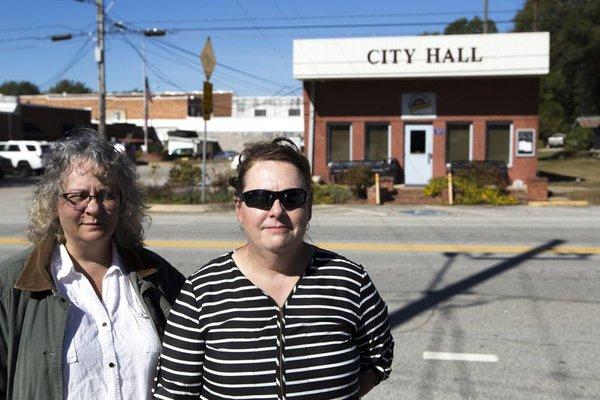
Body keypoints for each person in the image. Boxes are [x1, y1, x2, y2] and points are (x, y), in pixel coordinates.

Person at [154, 137, 393, 399]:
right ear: (239, 208)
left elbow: (379, 357)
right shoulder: (202, 293)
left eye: (292, 197)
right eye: (259, 198)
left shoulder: (349, 281)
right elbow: (174, 392)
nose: (277, 210)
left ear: (309, 207)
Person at [0, 128, 185, 399]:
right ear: (54, 203)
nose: (94, 208)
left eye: (107, 195)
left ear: (124, 203)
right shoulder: (12, 285)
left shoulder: (157, 276)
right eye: (78, 196)